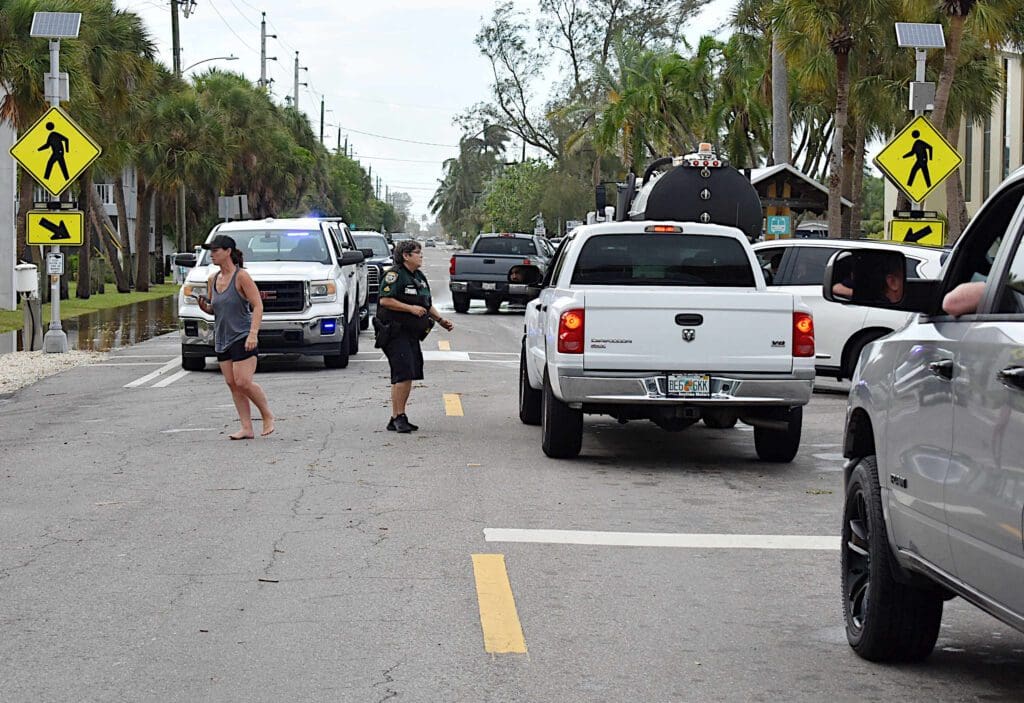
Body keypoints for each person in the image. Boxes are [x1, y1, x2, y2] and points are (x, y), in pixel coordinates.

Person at [195, 234, 275, 440]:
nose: (211, 255)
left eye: (215, 251)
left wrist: (253, 334)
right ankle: (246, 428)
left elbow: (258, 306)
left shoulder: (242, 277)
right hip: (223, 337)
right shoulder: (213, 279)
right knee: (232, 383)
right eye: (210, 251)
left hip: (242, 334)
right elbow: (217, 309)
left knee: (243, 381)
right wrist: (207, 308)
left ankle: (267, 415)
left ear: (228, 252)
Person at [376, 240, 454, 433]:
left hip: (411, 332)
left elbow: (426, 304)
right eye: (418, 253)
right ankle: (398, 416)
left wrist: (441, 320)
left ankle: (397, 416)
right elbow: (385, 300)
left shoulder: (418, 277)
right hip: (394, 331)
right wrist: (409, 308)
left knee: (409, 372)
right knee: (402, 372)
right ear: (406, 256)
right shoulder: (395, 275)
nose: (421, 256)